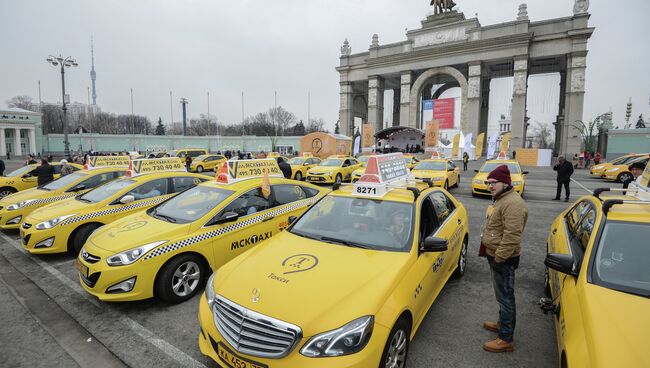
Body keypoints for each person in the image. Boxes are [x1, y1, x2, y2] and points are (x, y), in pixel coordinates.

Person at [481, 164, 528, 353]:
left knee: (506, 298)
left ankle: (506, 338)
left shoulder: (513, 204)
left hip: (504, 258)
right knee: (502, 296)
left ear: (505, 183)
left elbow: (512, 236)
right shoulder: (502, 198)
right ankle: (502, 324)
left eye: (494, 183)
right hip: (496, 255)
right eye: (488, 183)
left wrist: (499, 257)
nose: (490, 186)